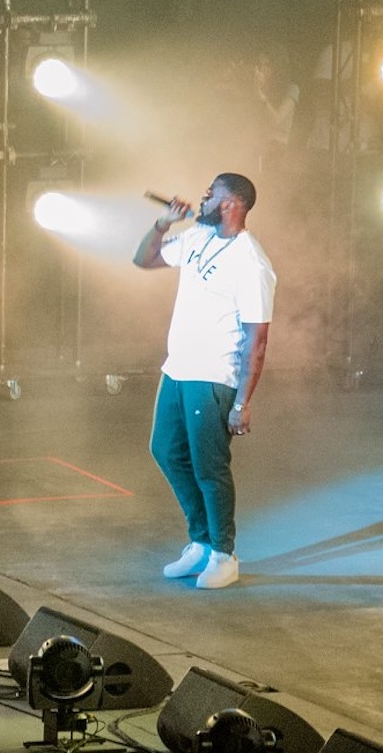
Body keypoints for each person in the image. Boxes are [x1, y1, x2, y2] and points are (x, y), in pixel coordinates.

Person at [133, 172, 276, 590]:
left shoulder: (251, 263)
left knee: (209, 467)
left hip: (214, 375)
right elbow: (144, 259)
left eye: (211, 194)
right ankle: (199, 540)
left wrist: (242, 402)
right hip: (177, 367)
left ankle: (223, 555)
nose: (203, 197)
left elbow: (258, 341)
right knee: (164, 449)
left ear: (231, 204)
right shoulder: (197, 236)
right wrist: (163, 224)